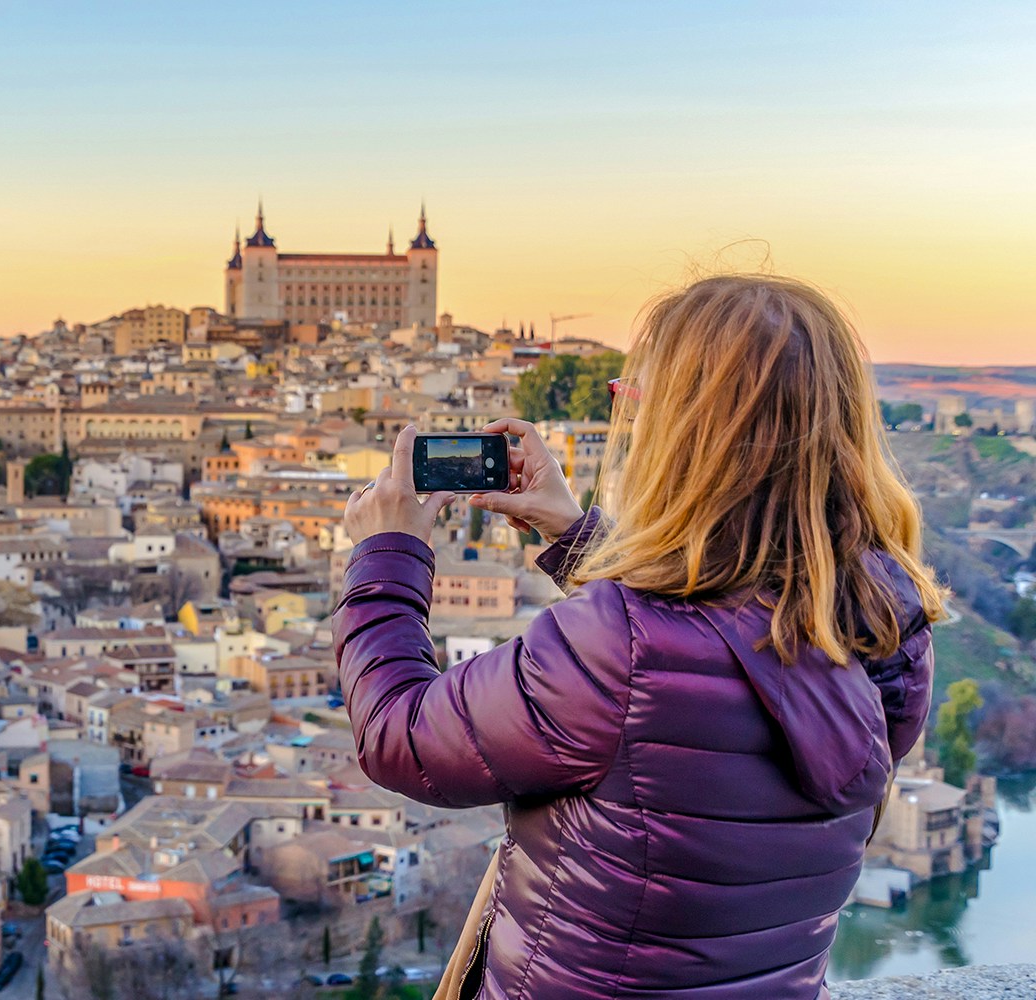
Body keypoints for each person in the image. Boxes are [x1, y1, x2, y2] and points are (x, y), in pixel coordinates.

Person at [335, 275, 942, 999]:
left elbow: (399, 737)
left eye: (636, 400)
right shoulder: (885, 618)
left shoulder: (617, 645)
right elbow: (717, 635)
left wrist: (388, 552)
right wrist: (576, 533)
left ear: (683, 437)